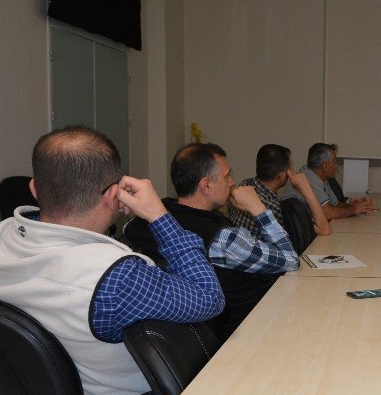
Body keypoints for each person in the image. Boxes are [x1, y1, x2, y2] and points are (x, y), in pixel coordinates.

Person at [0, 126, 225, 395]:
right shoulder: (115, 276)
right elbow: (209, 297)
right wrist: (159, 215)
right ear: (113, 196)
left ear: (34, 188)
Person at [124, 142, 299, 342]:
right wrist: (257, 207)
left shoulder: (145, 219)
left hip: (196, 337)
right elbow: (291, 259)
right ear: (206, 185)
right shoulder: (224, 239)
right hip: (249, 332)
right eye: (226, 176)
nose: (232, 182)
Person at [226, 143, 330, 237]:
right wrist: (306, 188)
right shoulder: (273, 207)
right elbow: (323, 229)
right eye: (289, 166)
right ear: (281, 176)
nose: (292, 170)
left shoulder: (243, 186)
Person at [280, 142, 375, 219]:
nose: (337, 165)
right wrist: (354, 209)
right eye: (335, 162)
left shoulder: (321, 178)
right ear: (325, 166)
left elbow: (335, 205)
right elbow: (330, 213)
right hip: (312, 239)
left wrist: (354, 206)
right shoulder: (309, 180)